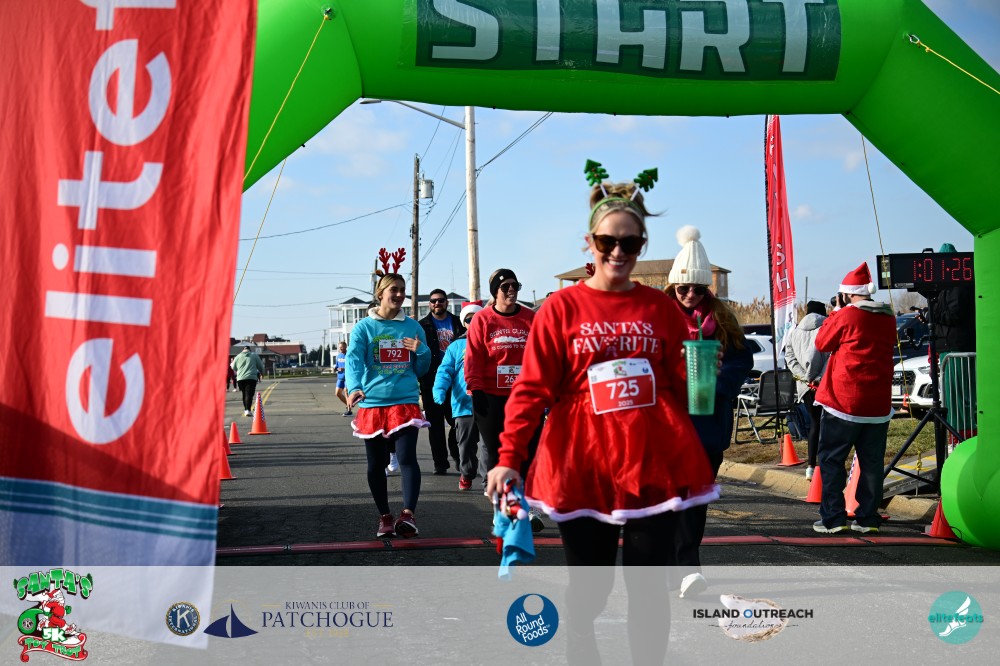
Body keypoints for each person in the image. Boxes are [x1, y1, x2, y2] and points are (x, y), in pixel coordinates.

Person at [486, 170, 719, 665]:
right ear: (589, 242)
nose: (618, 251)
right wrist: (508, 458)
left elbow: (679, 386)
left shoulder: (658, 308)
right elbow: (532, 388)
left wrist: (701, 366)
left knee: (648, 589)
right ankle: (580, 641)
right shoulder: (560, 308)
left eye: (629, 242)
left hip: (648, 462)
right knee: (591, 590)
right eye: (607, 241)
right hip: (582, 462)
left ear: (642, 245)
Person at [664, 225, 753, 599]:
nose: (690, 295)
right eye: (683, 288)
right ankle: (676, 566)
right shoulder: (657, 317)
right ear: (673, 285)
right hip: (667, 426)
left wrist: (718, 380)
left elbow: (742, 360)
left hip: (707, 425)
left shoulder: (723, 320)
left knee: (695, 499)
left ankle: (687, 567)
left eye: (698, 288)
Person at [346, 273, 431, 538]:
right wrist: (354, 387)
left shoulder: (412, 327)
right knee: (377, 464)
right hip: (373, 404)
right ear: (380, 293)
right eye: (394, 289)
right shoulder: (364, 327)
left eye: (402, 289)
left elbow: (421, 369)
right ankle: (384, 516)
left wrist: (422, 350)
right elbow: (354, 360)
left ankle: (408, 515)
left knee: (406, 458)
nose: (399, 294)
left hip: (404, 402)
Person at [812, 263, 895, 534]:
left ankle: (833, 519)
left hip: (844, 401)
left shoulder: (847, 315)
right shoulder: (888, 317)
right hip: (878, 405)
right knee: (871, 463)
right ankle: (867, 518)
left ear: (847, 294)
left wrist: (836, 312)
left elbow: (822, 342)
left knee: (832, 459)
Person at [465, 268, 544, 531]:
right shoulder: (483, 319)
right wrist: (476, 390)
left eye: (515, 285)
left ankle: (527, 507)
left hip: (525, 396)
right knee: (499, 455)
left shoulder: (530, 319)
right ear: (495, 291)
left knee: (528, 452)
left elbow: (542, 356)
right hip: (491, 397)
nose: (511, 290)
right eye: (505, 286)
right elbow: (473, 358)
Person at [433, 303, 483, 490]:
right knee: (466, 445)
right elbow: (444, 371)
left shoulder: (492, 342)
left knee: (489, 445)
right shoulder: (455, 346)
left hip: (489, 403)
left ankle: (488, 480)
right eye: (469, 319)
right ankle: (467, 474)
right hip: (463, 404)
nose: (473, 322)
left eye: (477, 318)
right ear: (464, 323)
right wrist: (440, 389)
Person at [418, 288, 464, 474]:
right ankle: (440, 463)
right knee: (435, 425)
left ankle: (458, 456)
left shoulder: (458, 322)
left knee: (458, 422)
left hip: (456, 381)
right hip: (431, 381)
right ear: (429, 304)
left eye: (441, 300)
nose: (437, 303)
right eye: (433, 301)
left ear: (446, 302)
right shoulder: (422, 326)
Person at [784, 300, 830, 480]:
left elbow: (790, 359)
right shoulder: (827, 328)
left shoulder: (794, 333)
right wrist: (819, 378)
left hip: (805, 386)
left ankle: (810, 467)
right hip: (825, 383)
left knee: (814, 423)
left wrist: (805, 378)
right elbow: (832, 356)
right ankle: (826, 465)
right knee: (828, 424)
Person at [231, 343, 265, 417]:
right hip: (251, 377)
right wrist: (262, 373)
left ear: (243, 350)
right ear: (249, 350)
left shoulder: (238, 356)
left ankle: (246, 409)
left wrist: (239, 369)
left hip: (240, 378)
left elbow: (233, 366)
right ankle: (248, 410)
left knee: (244, 393)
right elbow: (260, 365)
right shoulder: (254, 355)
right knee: (249, 394)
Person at [334, 341, 351, 416]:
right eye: (340, 347)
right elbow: (337, 366)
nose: (341, 348)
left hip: (347, 377)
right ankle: (348, 405)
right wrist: (336, 369)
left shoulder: (349, 355)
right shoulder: (338, 356)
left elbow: (352, 367)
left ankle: (349, 410)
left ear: (346, 347)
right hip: (340, 377)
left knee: (346, 392)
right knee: (337, 393)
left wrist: (344, 369)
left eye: (342, 347)